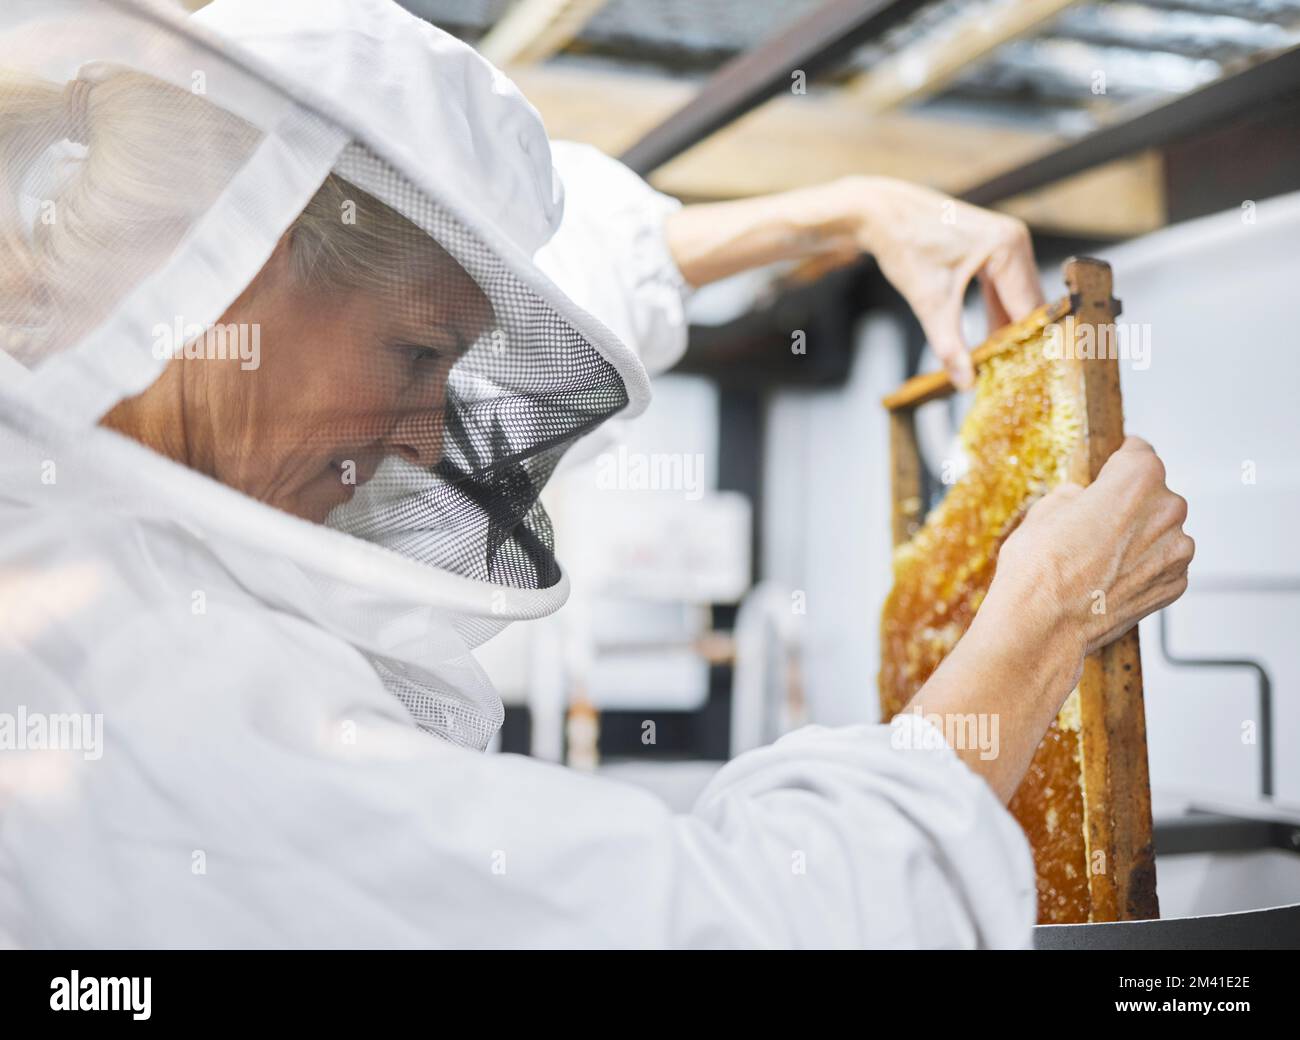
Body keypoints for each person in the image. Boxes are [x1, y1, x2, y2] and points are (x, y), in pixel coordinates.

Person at [0, 0, 1192, 948]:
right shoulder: (126, 677)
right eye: (419, 356)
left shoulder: (92, 489)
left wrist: (844, 206)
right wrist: (1041, 619)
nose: (427, 442)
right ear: (232, 271)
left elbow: (529, 266)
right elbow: (749, 931)